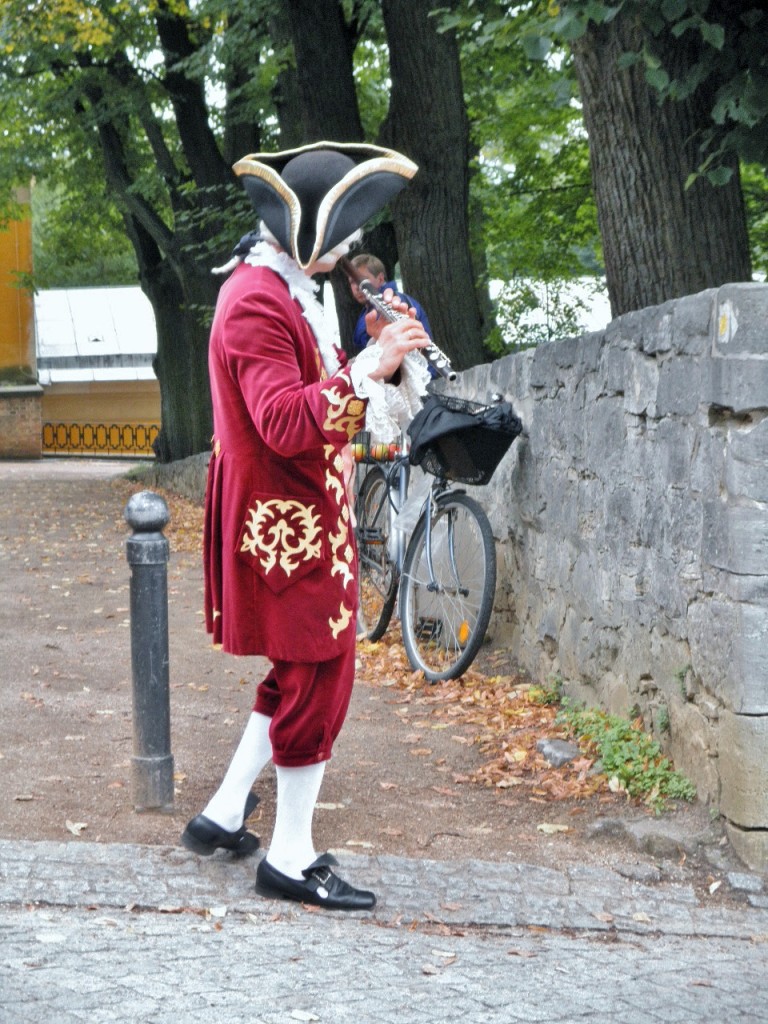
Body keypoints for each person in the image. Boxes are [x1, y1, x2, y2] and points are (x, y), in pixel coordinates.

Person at [180, 141, 431, 911]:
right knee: (320, 671)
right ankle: (290, 855)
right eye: (344, 231)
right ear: (308, 234)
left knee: (298, 669)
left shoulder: (284, 288)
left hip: (295, 508)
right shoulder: (256, 299)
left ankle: (224, 816)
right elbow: (287, 422)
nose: (354, 247)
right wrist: (372, 364)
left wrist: (386, 366)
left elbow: (311, 401)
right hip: (279, 517)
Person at [349, 252, 434, 353]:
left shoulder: (394, 303)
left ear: (380, 279)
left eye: (362, 280)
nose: (357, 287)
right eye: (352, 282)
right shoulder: (369, 307)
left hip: (418, 367)